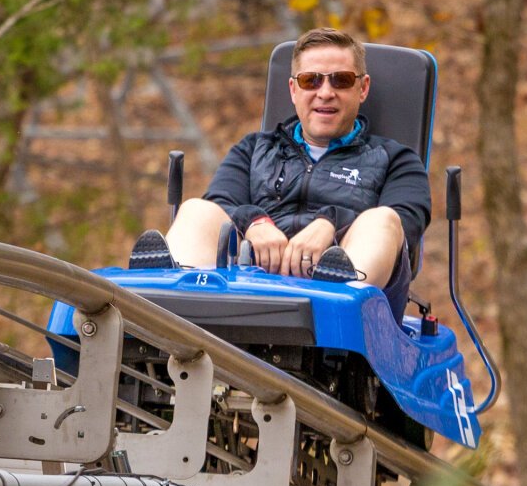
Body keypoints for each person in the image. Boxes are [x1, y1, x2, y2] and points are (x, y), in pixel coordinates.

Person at [131, 26, 429, 315]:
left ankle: (334, 303)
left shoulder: (396, 159)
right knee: (198, 209)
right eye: (311, 80)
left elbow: (406, 227)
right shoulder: (253, 150)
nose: (325, 92)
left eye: (341, 80)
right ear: (293, 89)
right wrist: (255, 222)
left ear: (362, 88)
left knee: (384, 220)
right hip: (246, 289)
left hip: (350, 303)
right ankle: (165, 308)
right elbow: (221, 202)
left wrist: (331, 224)